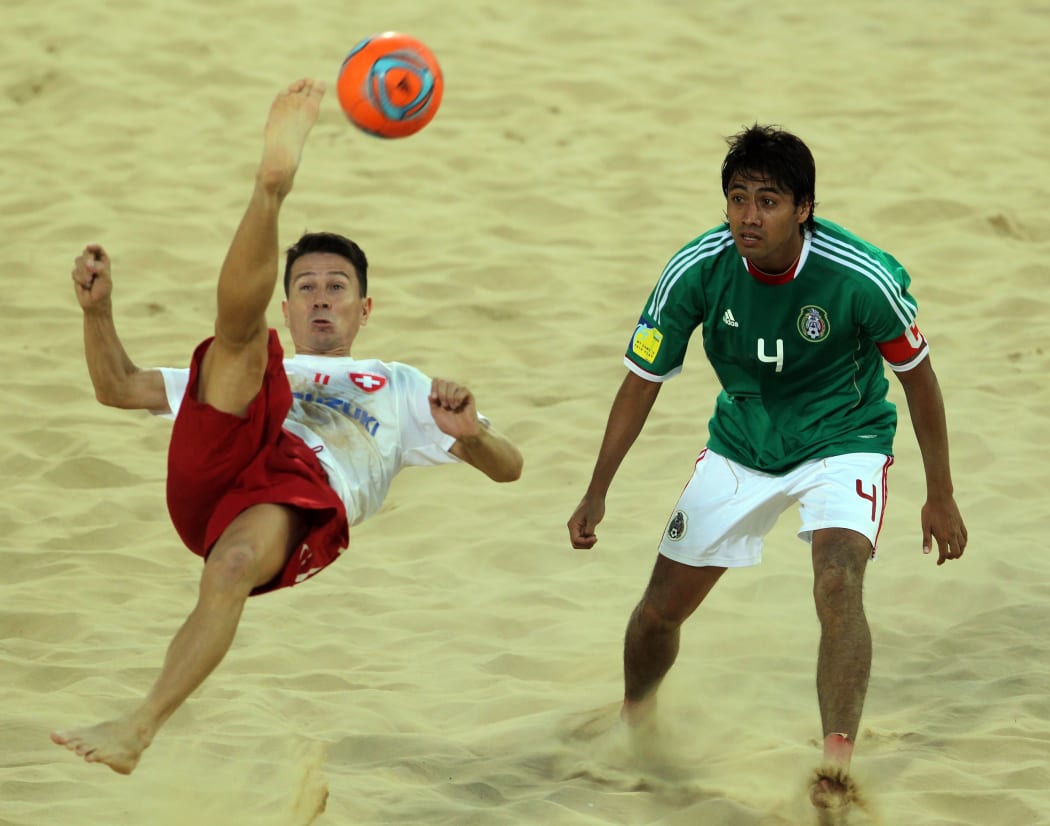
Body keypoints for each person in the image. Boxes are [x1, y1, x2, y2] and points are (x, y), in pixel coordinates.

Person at [52, 78, 523, 775]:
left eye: (338, 287)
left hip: (303, 486)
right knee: (244, 349)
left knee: (232, 567)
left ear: (365, 308)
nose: (321, 299)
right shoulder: (278, 360)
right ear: (290, 305)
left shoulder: (400, 384)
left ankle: (137, 727)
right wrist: (97, 312)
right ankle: (270, 186)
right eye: (306, 287)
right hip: (230, 445)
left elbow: (511, 468)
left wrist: (472, 433)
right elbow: (117, 387)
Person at [567, 124, 967, 813]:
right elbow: (641, 381)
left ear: (803, 209)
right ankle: (634, 723)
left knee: (838, 582)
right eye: (738, 198)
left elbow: (919, 380)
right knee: (659, 611)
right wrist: (596, 490)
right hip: (742, 444)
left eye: (768, 201)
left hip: (844, 438)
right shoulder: (698, 268)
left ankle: (835, 767)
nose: (749, 216)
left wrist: (942, 493)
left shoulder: (859, 276)